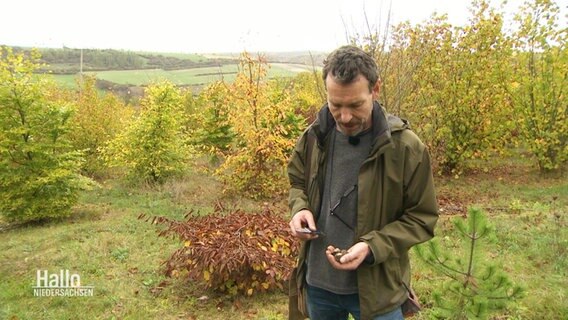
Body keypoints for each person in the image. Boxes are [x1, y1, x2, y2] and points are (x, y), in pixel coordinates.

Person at [287, 45, 438, 320]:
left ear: (375, 89)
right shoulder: (314, 136)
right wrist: (300, 209)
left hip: (378, 290)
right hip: (318, 285)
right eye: (336, 105)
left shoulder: (405, 148)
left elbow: (422, 218)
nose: (344, 117)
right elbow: (297, 180)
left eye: (355, 105)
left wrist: (372, 247)